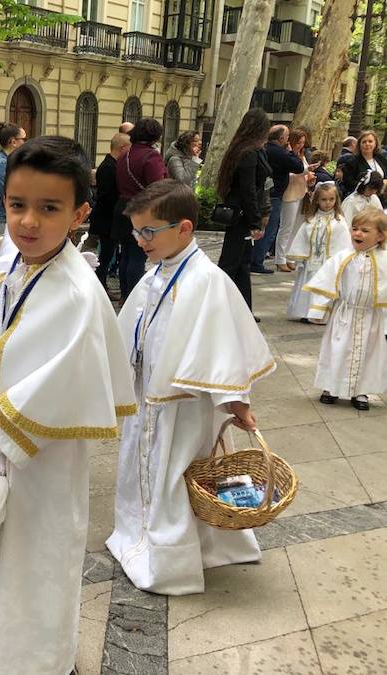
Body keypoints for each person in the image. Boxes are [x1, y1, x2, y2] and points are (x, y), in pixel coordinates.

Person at [0, 136, 136, 673]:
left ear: (79, 212)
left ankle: (33, 657)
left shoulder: (77, 291)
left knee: (31, 554)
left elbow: (67, 378)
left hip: (40, 455)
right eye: (18, 205)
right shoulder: (1, 271)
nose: (28, 222)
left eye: (49, 208)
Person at [107, 179, 272, 595]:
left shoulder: (206, 280)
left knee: (176, 476)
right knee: (142, 471)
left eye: (149, 232)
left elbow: (222, 344)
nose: (140, 241)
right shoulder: (155, 275)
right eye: (136, 232)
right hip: (147, 398)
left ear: (183, 228)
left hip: (184, 405)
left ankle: (171, 559)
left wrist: (236, 401)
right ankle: (138, 536)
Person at [304, 208, 387, 411]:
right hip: (345, 316)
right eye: (355, 229)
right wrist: (318, 310)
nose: (357, 233)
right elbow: (326, 282)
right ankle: (331, 388)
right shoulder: (343, 257)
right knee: (337, 351)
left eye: (365, 230)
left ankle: (361, 390)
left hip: (371, 317)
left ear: (381, 235)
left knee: (368, 353)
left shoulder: (385, 260)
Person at [217, 108, 272, 314]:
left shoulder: (246, 150)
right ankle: (218, 308)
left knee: (241, 263)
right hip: (242, 214)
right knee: (232, 262)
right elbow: (248, 190)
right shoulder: (248, 153)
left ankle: (242, 310)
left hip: (242, 211)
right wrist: (255, 221)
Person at [113, 117, 167, 301]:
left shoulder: (124, 155)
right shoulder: (151, 156)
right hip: (143, 210)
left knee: (126, 255)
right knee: (137, 256)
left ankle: (125, 294)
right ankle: (134, 297)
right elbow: (157, 187)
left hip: (123, 207)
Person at [286, 183, 350, 322]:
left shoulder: (339, 221)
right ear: (317, 200)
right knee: (309, 286)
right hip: (311, 262)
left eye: (331, 199)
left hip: (328, 263)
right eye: (324, 199)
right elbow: (302, 238)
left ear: (336, 200)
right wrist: (301, 257)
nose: (328, 203)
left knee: (324, 287)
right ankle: (305, 312)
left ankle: (322, 315)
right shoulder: (311, 220)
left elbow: (343, 242)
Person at [252, 125, 304, 274]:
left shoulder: (264, 148)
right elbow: (298, 167)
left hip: (264, 192)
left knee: (262, 226)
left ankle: (254, 259)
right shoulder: (282, 153)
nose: (288, 140)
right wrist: (292, 152)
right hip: (274, 195)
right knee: (270, 229)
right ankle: (257, 262)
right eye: (287, 137)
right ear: (282, 138)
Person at [274, 129, 317, 273]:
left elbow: (302, 172)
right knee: (286, 227)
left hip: (302, 192)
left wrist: (309, 177)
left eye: (303, 143)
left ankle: (289, 257)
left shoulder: (301, 155)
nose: (300, 145)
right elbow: (290, 173)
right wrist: (305, 170)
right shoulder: (287, 154)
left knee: (296, 228)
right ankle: (280, 259)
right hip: (290, 194)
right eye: (298, 142)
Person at [92, 132, 130, 293]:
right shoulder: (108, 167)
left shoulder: (113, 165)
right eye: (129, 147)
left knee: (108, 254)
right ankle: (100, 287)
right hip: (106, 220)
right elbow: (107, 196)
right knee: (105, 256)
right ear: (122, 148)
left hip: (109, 219)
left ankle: (102, 285)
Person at [0, 122, 26, 239]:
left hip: (2, 220)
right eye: (24, 139)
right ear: (13, 142)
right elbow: (9, 194)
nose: (26, 143)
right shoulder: (2, 163)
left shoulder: (7, 160)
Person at [340, 130, 387, 200]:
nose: (367, 144)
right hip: (360, 200)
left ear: (375, 144)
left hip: (381, 200)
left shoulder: (381, 158)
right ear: (359, 144)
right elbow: (349, 184)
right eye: (364, 142)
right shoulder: (352, 162)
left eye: (370, 141)